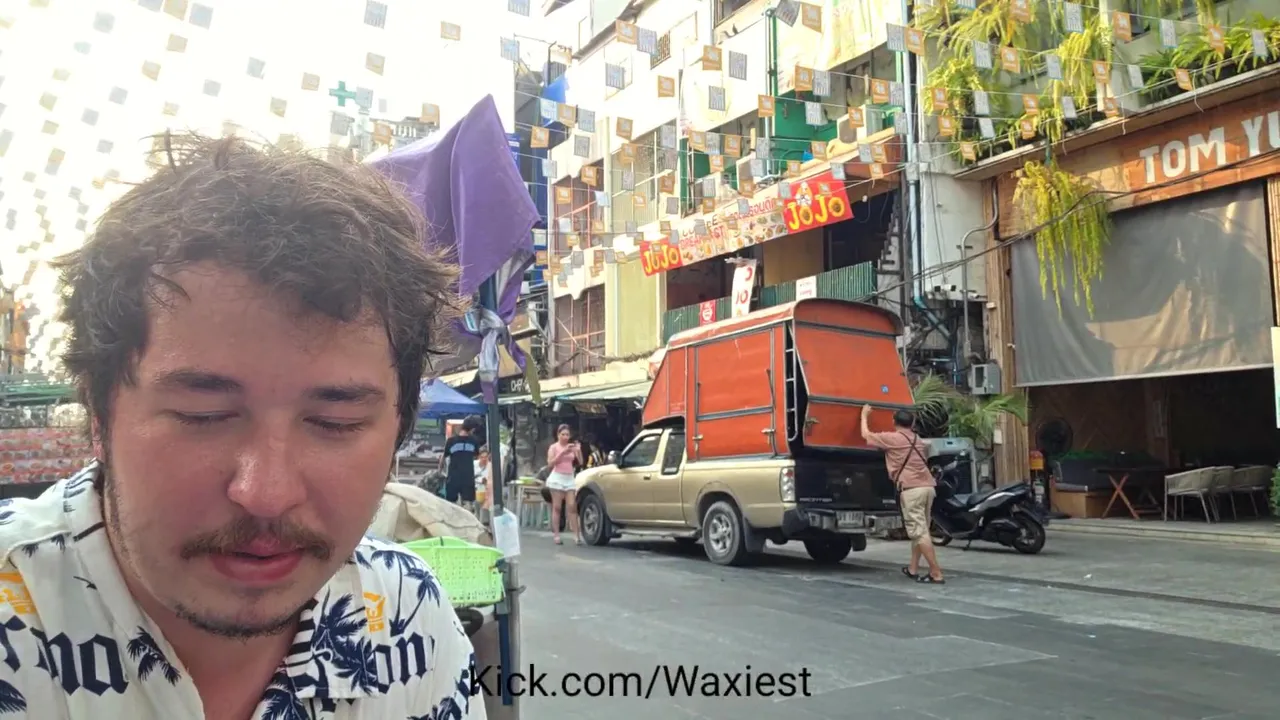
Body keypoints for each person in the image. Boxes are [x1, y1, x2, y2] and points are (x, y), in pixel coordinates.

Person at [0, 133, 485, 718]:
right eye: (203, 416)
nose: (266, 493)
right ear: (99, 415)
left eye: (335, 421)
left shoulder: (409, 615)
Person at [860, 404, 944, 585]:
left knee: (919, 533)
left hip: (911, 490)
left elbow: (866, 436)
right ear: (912, 424)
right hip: (928, 487)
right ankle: (913, 568)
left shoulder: (892, 439)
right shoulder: (918, 440)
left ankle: (936, 573)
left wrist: (864, 415)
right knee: (921, 530)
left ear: (894, 422)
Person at [544, 424, 583, 545]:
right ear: (558, 435)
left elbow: (581, 462)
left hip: (569, 478)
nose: (565, 437)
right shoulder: (553, 447)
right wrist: (562, 452)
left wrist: (578, 451)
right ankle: (556, 534)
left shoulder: (571, 447)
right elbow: (550, 463)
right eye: (563, 434)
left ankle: (576, 535)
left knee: (572, 506)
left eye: (567, 434)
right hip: (557, 478)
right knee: (557, 507)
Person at [439, 417, 481, 507]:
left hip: (453, 478)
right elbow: (477, 456)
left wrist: (439, 472)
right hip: (468, 478)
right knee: (468, 504)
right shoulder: (474, 441)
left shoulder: (451, 441)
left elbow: (443, 458)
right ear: (472, 429)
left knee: (450, 504)